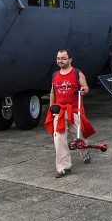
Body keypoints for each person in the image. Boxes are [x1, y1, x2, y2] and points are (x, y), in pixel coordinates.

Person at [46, 49, 93, 178]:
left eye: (63, 58)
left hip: (74, 111)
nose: (60, 61)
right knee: (59, 138)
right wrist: (51, 108)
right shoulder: (55, 75)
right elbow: (52, 92)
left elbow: (85, 87)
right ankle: (64, 166)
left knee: (79, 135)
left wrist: (83, 90)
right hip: (60, 111)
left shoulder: (77, 73)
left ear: (70, 59)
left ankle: (85, 152)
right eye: (58, 58)